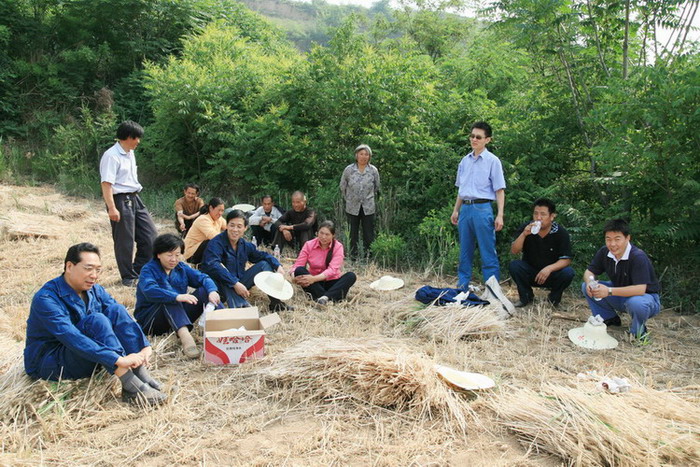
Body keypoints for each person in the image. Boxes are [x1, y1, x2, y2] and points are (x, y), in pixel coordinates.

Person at [24, 243, 167, 405]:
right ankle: (130, 384)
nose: (94, 275)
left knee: (116, 310)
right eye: (88, 268)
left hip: (85, 353)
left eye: (98, 270)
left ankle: (139, 372)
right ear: (69, 266)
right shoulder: (46, 299)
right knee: (97, 320)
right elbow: (71, 336)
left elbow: (119, 315)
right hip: (52, 361)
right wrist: (117, 359)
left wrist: (144, 345)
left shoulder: (95, 290)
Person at [135, 234, 221, 359]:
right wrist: (177, 296)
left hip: (177, 317)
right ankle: (186, 338)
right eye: (169, 255)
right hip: (152, 320)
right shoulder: (148, 270)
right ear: (158, 254)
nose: (174, 259)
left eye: (177, 255)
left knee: (204, 291)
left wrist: (212, 291)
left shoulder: (181, 267)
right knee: (168, 298)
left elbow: (203, 278)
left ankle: (224, 325)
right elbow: (150, 290)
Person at [100, 120, 158, 287]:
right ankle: (128, 277)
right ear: (127, 137)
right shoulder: (111, 156)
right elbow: (106, 184)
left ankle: (139, 269)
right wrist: (112, 207)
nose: (138, 141)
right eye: (136, 137)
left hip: (135, 197)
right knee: (125, 241)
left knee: (150, 235)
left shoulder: (130, 153)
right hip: (120, 199)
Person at [582, 219, 661, 341]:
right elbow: (589, 272)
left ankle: (638, 332)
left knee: (636, 303)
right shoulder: (604, 252)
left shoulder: (638, 256)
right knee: (585, 286)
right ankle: (609, 318)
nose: (612, 244)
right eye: (608, 239)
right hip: (619, 295)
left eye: (617, 239)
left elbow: (640, 289)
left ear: (627, 238)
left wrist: (608, 291)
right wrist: (589, 283)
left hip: (646, 298)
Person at [450, 121, 506, 290]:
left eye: (478, 137)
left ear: (487, 140)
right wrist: (456, 210)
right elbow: (462, 189)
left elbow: (499, 190)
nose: (474, 139)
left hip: (483, 209)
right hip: (465, 209)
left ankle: (493, 290)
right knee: (465, 251)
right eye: (472, 136)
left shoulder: (492, 161)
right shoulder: (464, 161)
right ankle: (462, 286)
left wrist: (500, 215)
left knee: (487, 250)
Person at [201, 210, 292, 311]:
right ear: (227, 226)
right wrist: (234, 283)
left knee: (264, 265)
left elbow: (263, 255)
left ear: (245, 228)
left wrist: (278, 265)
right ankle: (242, 308)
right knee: (221, 274)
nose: (235, 230)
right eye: (232, 225)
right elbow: (213, 266)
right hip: (219, 287)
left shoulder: (244, 245)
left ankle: (276, 304)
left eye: (239, 226)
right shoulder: (216, 243)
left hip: (239, 283)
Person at [508, 198, 574, 307]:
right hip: (531, 272)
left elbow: (566, 259)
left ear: (552, 216)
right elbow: (514, 251)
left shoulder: (561, 233)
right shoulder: (527, 228)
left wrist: (549, 269)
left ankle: (553, 299)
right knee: (515, 266)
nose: (538, 218)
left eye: (543, 214)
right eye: (535, 214)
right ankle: (526, 297)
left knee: (568, 272)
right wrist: (524, 234)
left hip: (551, 274)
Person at [291, 221, 357, 305]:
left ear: (333, 235)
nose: (323, 237)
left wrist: (313, 279)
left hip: (332, 282)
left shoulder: (338, 247)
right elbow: (298, 264)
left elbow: (332, 270)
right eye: (321, 233)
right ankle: (331, 297)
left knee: (351, 276)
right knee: (299, 270)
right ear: (317, 232)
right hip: (314, 284)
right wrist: (294, 277)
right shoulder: (309, 244)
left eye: (327, 234)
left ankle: (324, 297)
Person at [340, 144, 381, 259]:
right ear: (356, 155)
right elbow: (343, 186)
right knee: (352, 233)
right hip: (352, 206)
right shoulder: (349, 170)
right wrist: (349, 198)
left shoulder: (373, 170)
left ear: (369, 157)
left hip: (368, 207)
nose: (363, 156)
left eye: (366, 154)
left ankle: (369, 257)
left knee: (369, 233)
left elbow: (376, 187)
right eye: (361, 154)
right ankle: (353, 257)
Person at [183, 197, 226, 265]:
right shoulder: (203, 219)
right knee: (212, 242)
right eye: (219, 210)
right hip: (191, 254)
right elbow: (215, 237)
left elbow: (229, 228)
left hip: (202, 250)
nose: (220, 213)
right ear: (211, 208)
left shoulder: (219, 218)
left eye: (222, 211)